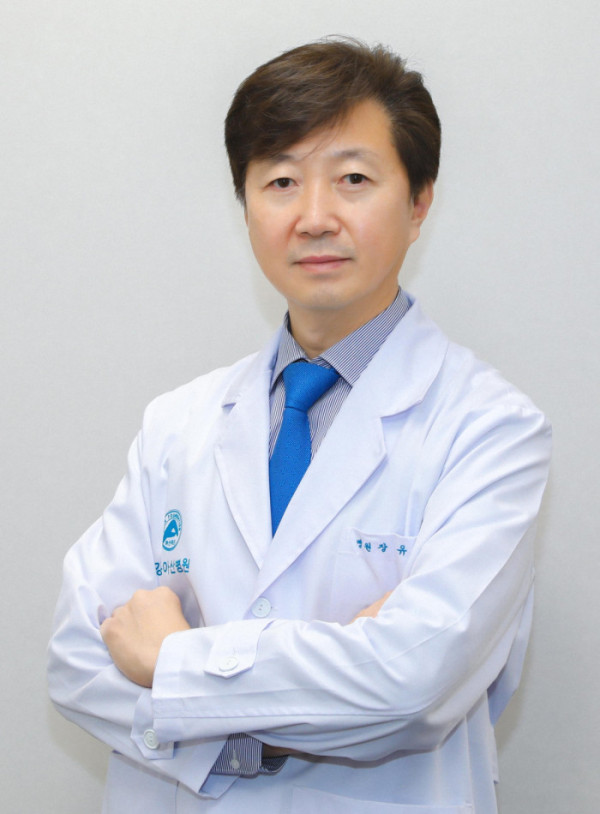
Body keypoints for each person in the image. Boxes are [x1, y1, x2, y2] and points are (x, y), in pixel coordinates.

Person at [48, 38, 551, 814]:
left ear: (419, 202)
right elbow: (77, 659)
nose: (315, 218)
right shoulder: (177, 425)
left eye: (354, 180)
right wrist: (270, 723)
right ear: (246, 203)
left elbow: (413, 683)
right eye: (281, 181)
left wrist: (172, 660)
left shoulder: (492, 430)